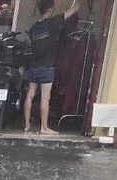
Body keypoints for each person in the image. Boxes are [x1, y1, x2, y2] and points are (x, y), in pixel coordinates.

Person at [23, 0, 80, 134]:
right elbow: (73, 10)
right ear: (49, 10)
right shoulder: (54, 23)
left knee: (30, 95)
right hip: (47, 66)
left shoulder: (33, 28)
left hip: (34, 66)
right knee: (45, 97)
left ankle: (26, 124)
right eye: (52, 9)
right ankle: (44, 127)